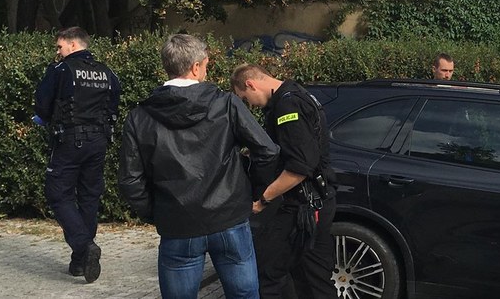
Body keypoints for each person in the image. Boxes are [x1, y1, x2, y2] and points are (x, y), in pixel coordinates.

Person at [119, 34, 279, 299]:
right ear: (195, 67)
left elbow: (130, 180)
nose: (206, 70)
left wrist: (158, 213)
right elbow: (268, 151)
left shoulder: (139, 117)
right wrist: (251, 192)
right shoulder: (226, 103)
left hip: (178, 225)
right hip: (229, 218)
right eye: (205, 64)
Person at [231, 63, 338, 299]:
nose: (250, 105)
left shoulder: (287, 105)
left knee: (269, 273)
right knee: (312, 279)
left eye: (245, 98)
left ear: (251, 84)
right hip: (318, 202)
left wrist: (263, 199)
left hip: (303, 209)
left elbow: (299, 167)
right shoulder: (296, 94)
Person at [33, 26, 121, 283]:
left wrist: (43, 118)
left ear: (73, 45)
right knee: (89, 197)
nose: (57, 52)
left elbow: (42, 103)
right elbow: (114, 102)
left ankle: (84, 246)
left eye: (59, 47)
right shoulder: (107, 72)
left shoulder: (61, 70)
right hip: (99, 141)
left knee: (57, 193)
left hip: (70, 141)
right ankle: (79, 262)